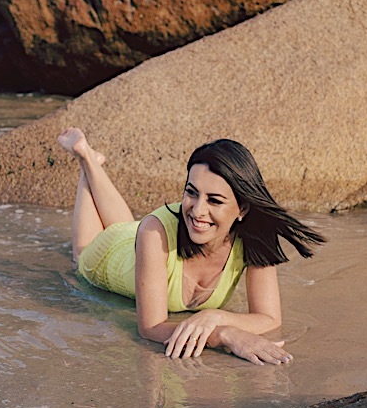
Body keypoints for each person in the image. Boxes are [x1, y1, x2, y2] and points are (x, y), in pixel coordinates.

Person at [57, 128, 325, 365]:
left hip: (142, 237)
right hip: (112, 254)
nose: (198, 210)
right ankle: (86, 162)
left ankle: (92, 160)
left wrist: (213, 315)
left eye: (215, 201)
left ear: (242, 208)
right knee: (82, 253)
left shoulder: (256, 237)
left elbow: (269, 318)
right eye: (191, 192)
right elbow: (150, 328)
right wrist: (223, 333)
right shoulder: (154, 230)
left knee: (132, 225)